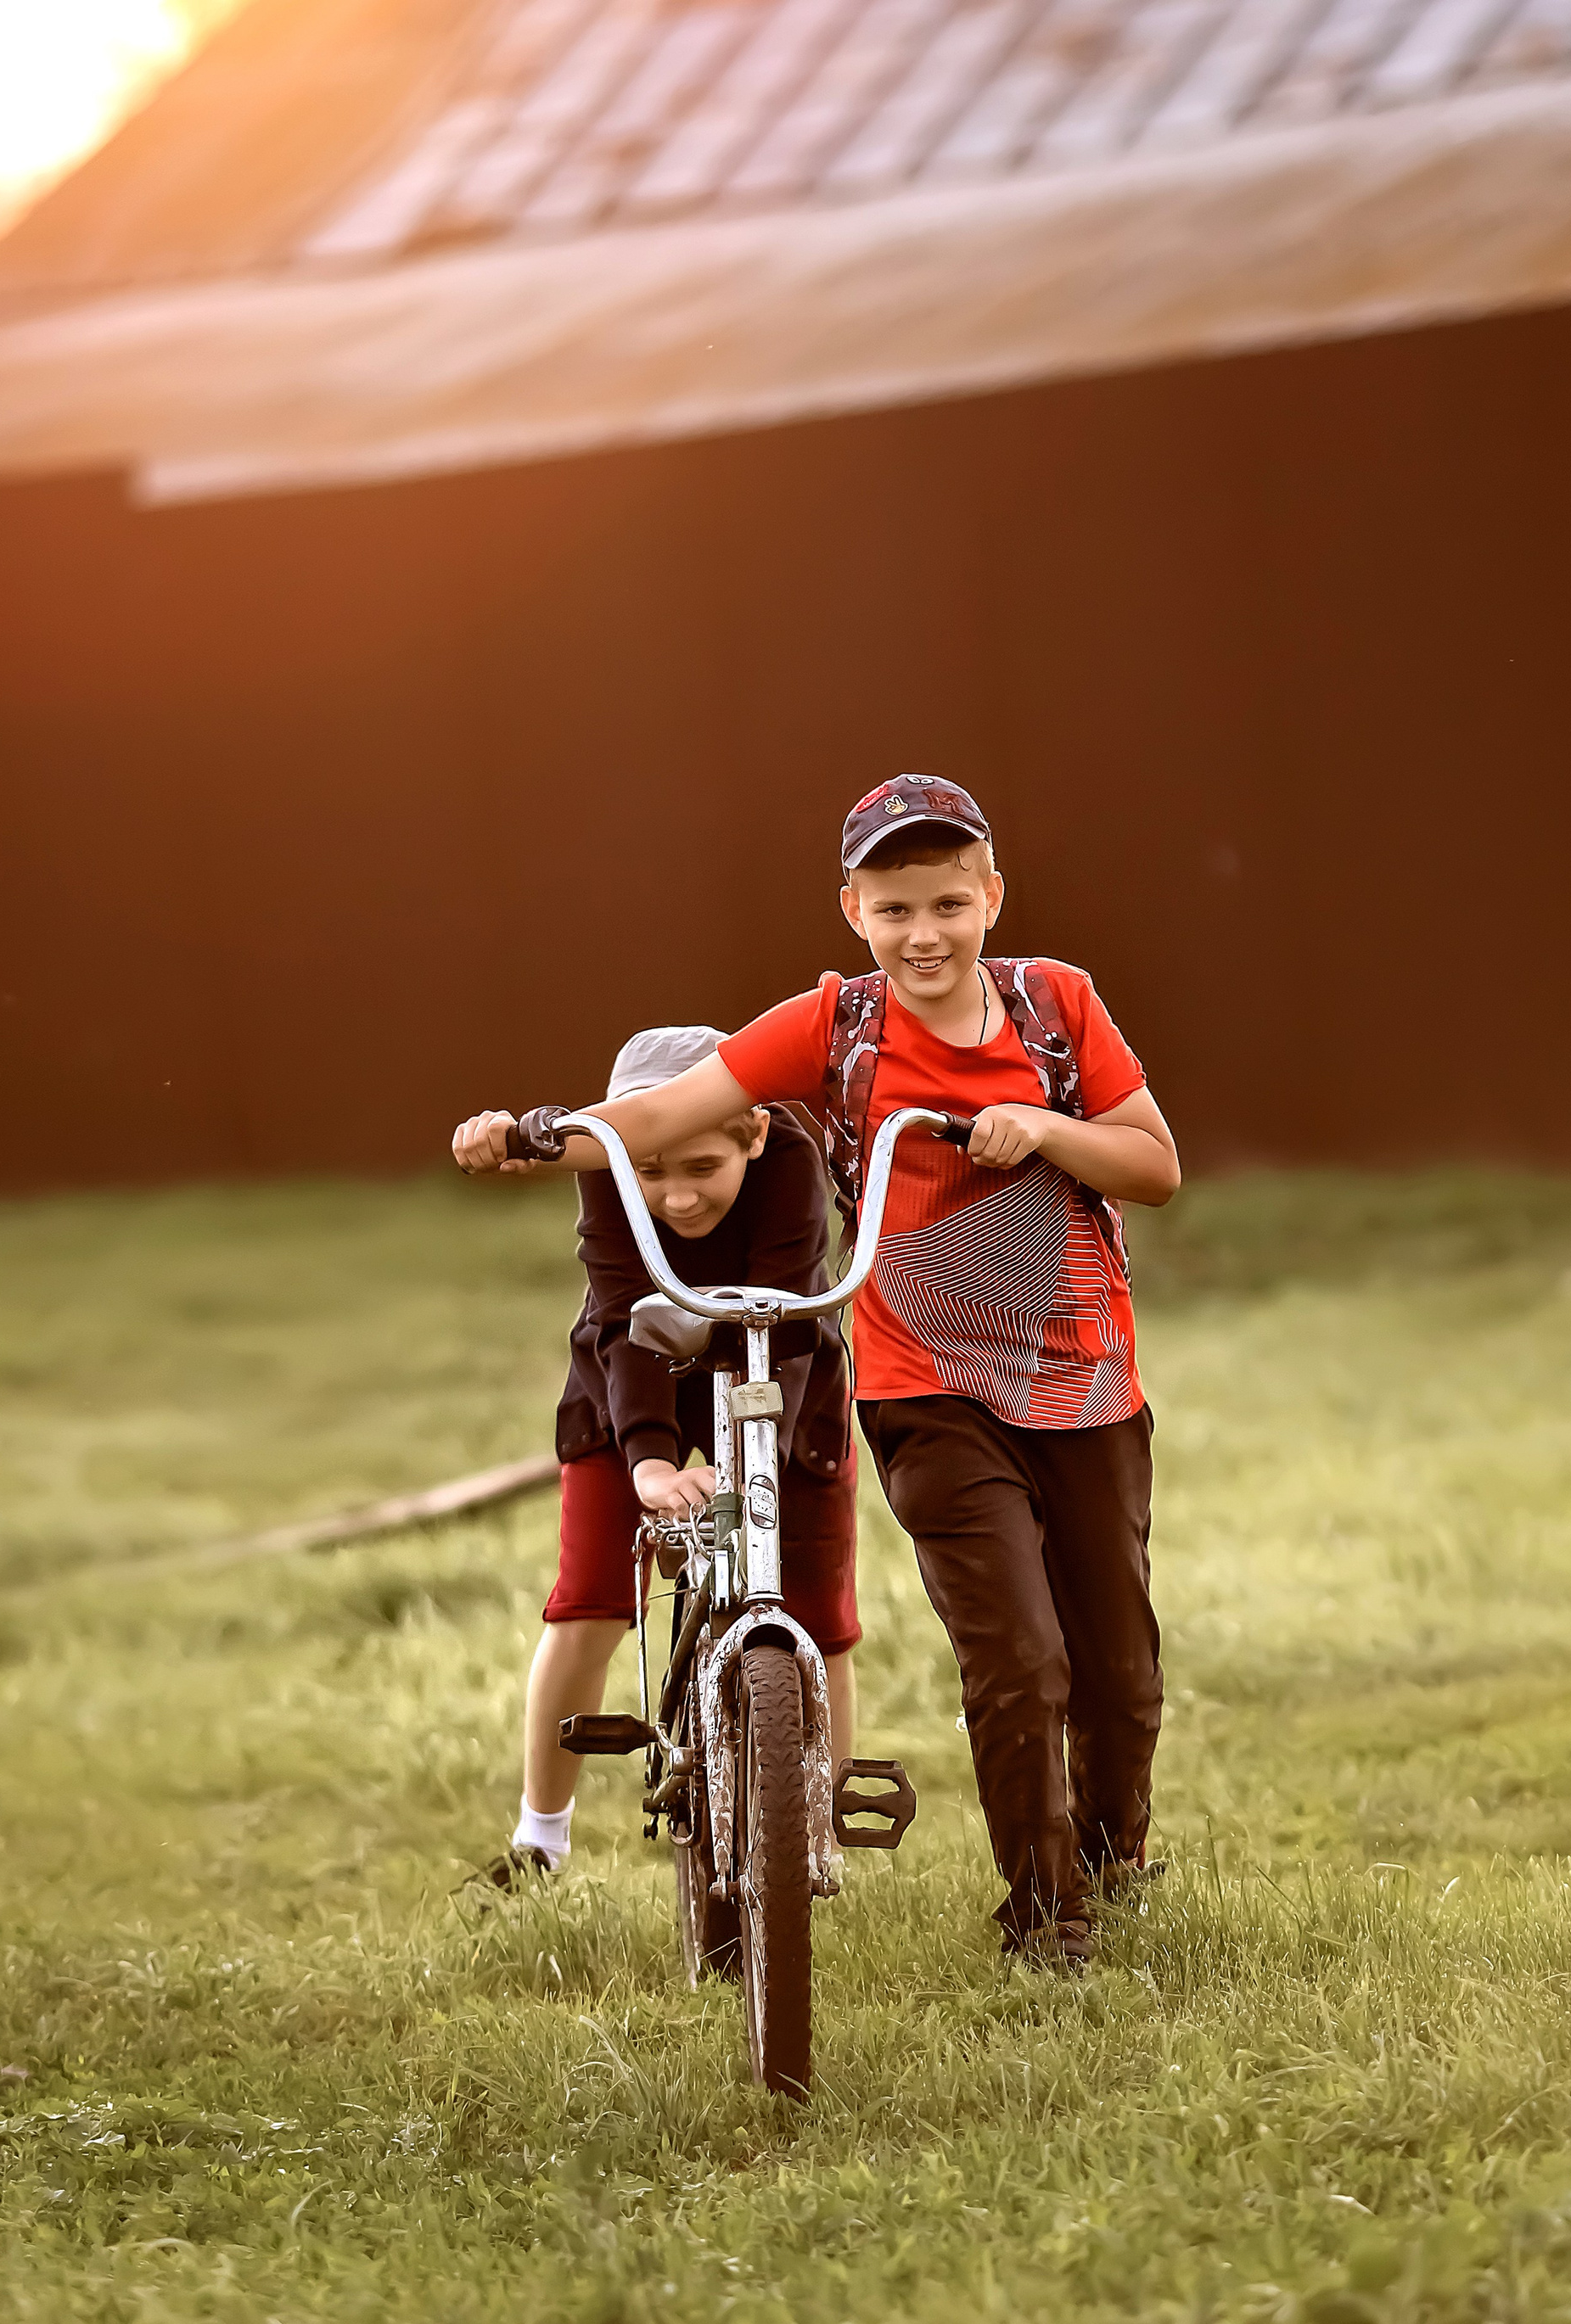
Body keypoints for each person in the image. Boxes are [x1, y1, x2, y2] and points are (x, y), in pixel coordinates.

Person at [452, 776, 1181, 1967]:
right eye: (895, 908)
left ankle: (1114, 1859)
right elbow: (663, 1115)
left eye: (950, 901)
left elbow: (1153, 1163)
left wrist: (1040, 1127)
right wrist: (531, 1131)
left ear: (992, 896)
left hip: (1081, 1373)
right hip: (923, 1380)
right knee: (1019, 1653)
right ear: (854, 908)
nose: (925, 932)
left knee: (1117, 1663)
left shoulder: (1058, 1007)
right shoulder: (833, 1027)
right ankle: (1047, 1916)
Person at [459, 1024, 859, 1887]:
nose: (675, 1198)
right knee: (589, 1604)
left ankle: (813, 1839)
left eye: (700, 1168)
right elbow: (623, 1319)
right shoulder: (607, 1164)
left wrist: (752, 1458)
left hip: (778, 1378)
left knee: (818, 1615)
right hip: (628, 1376)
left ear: (752, 1133)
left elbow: (785, 1326)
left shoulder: (790, 1158)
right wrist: (645, 1462)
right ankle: (541, 1837)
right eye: (652, 1170)